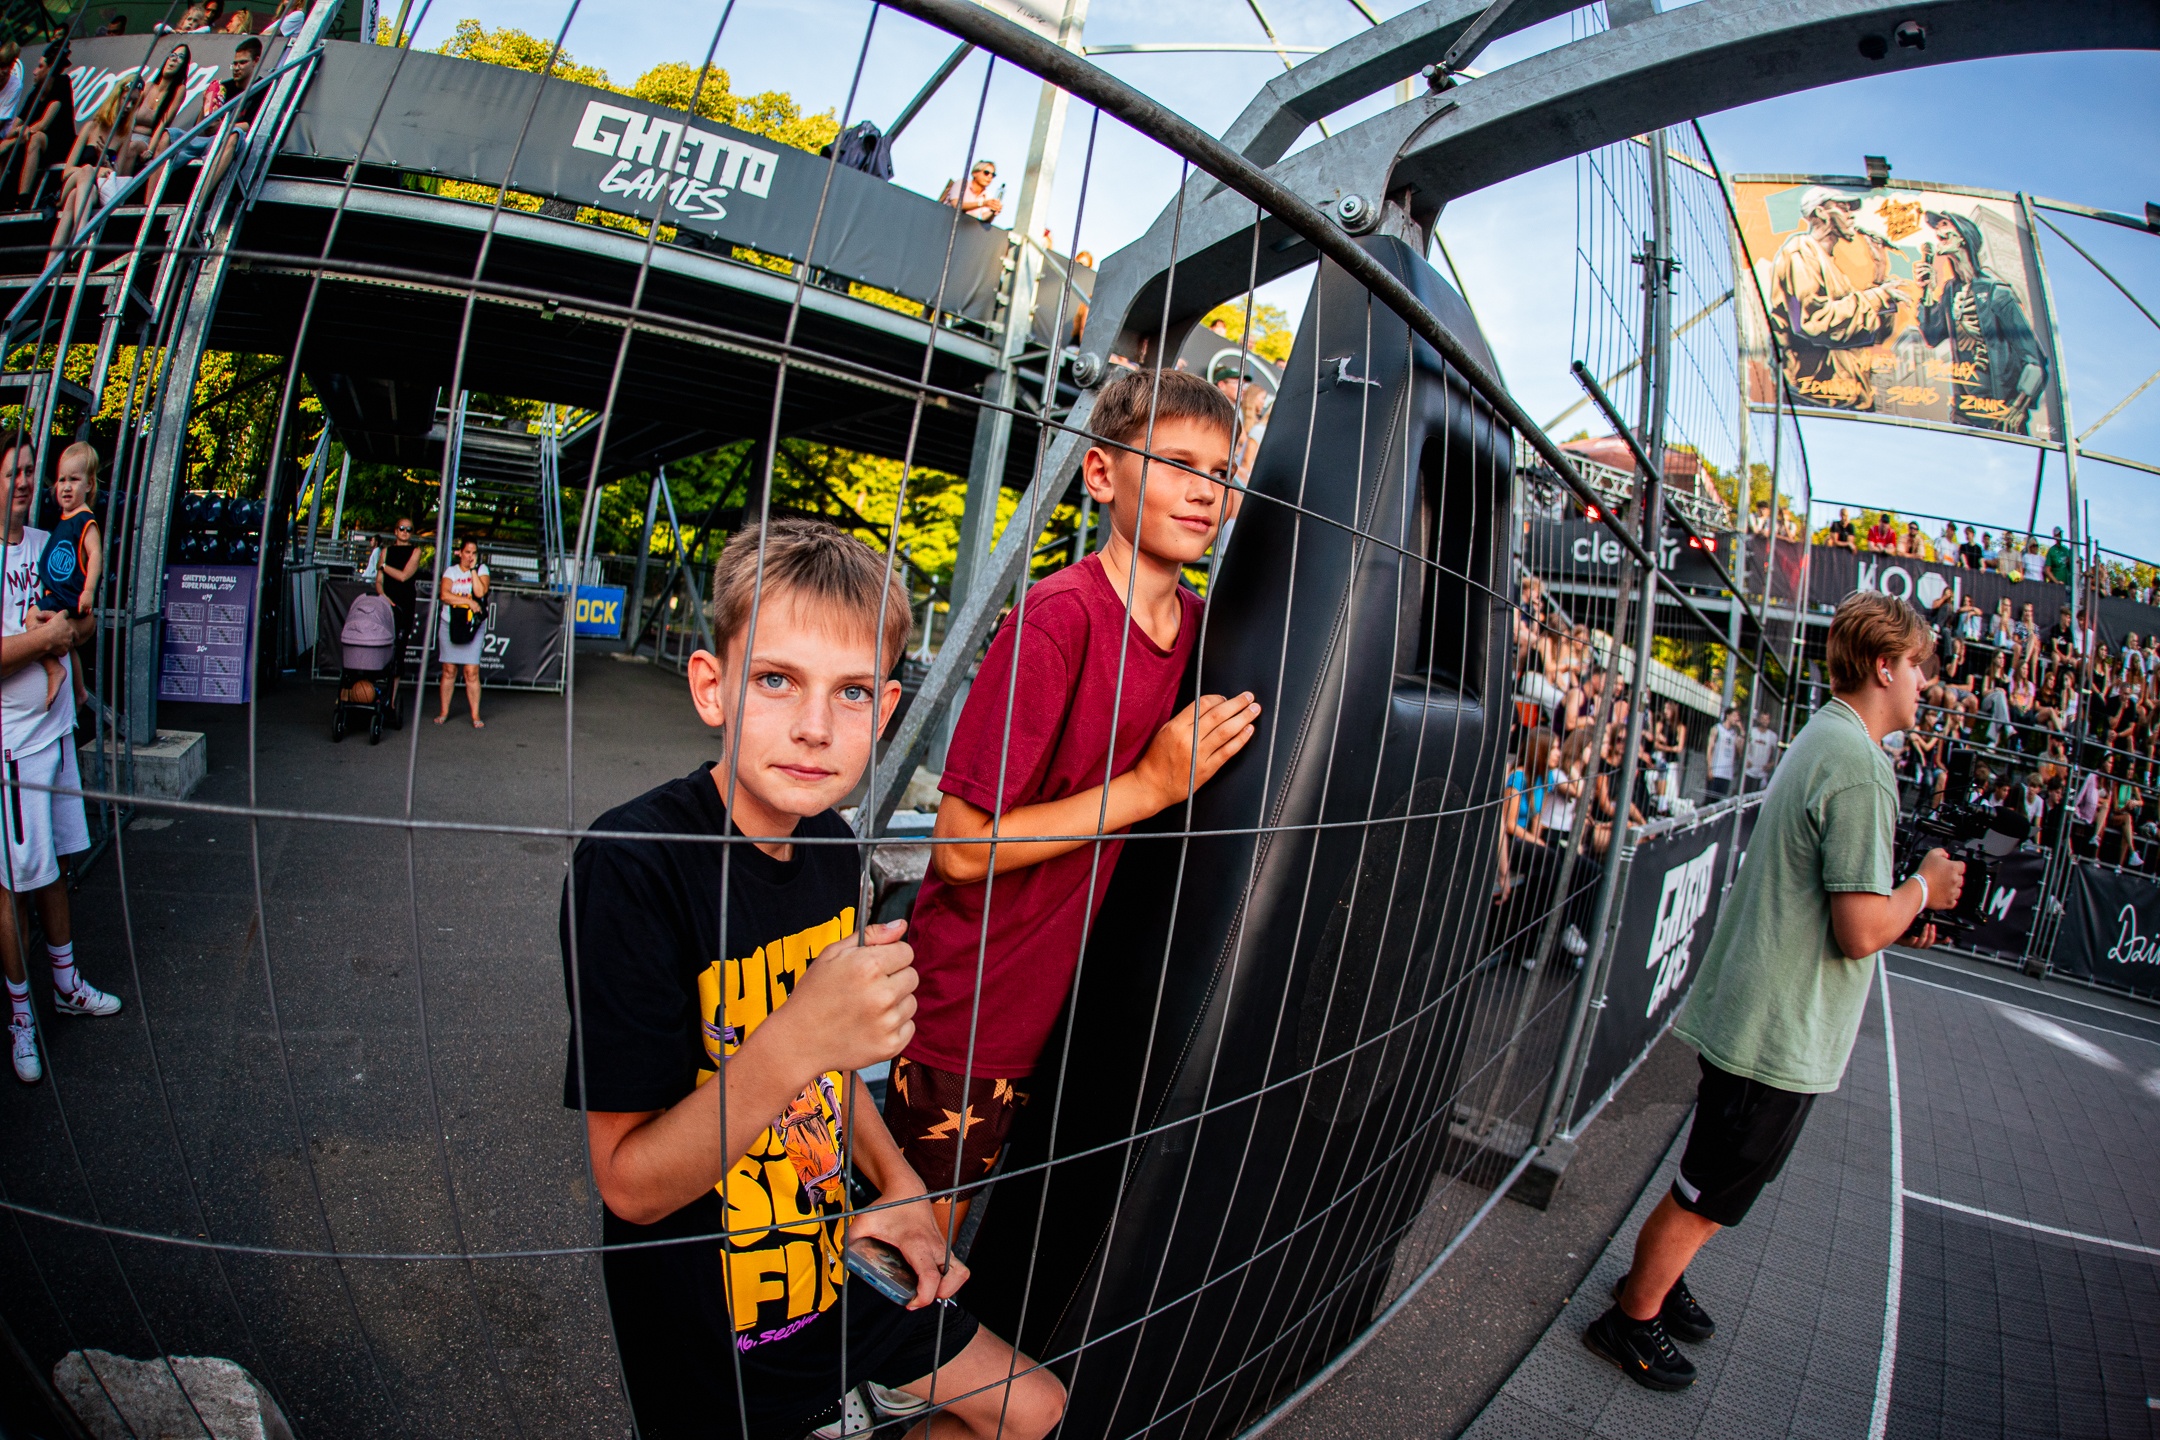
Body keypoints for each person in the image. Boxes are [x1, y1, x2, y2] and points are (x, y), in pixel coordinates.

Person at [561, 515, 1065, 1440]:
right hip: (716, 1316)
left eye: (853, 692)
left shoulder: (832, 849)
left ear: (887, 709)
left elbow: (829, 1079)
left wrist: (901, 1186)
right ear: (711, 687)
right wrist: (798, 1036)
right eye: (776, 679)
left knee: (1036, 1409)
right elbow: (629, 1185)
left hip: (831, 1257)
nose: (814, 727)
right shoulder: (635, 863)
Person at [894, 369, 1254, 1238]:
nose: (1205, 491)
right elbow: (959, 850)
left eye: (1220, 471)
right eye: (1176, 463)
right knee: (916, 1238)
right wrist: (1148, 787)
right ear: (1101, 475)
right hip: (982, 1000)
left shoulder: (1210, 634)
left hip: (1094, 999)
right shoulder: (1055, 623)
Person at [1583, 592, 1965, 1391]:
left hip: (1766, 1013)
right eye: (1919, 667)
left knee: (1719, 1182)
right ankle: (1632, 1318)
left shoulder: (1829, 734)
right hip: (1776, 1025)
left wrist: (1900, 910)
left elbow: (1842, 903)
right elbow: (1859, 929)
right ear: (1885, 666)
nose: (1925, 683)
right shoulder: (1858, 766)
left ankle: (1659, 1281)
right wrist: (1923, 890)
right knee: (1709, 1191)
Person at [0, 441, 122, 1086]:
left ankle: (67, 984)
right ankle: (21, 1016)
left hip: (55, 735)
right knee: (12, 885)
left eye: (31, 471)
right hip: (12, 747)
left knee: (56, 868)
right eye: (13, 473)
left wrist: (69, 633)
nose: (26, 482)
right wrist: (47, 638)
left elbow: (88, 620)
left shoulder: (54, 538)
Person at [33, 442, 101, 710]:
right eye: (61, 480)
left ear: (89, 485)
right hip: (58, 595)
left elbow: (95, 555)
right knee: (65, 643)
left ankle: (54, 670)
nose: (66, 486)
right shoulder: (64, 519)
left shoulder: (85, 520)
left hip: (69, 596)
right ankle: (80, 691)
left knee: (32, 620)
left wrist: (89, 591)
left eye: (74, 479)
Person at [0, 43, 73, 207]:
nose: (34, 71)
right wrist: (16, 135)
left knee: (36, 138)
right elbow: (14, 128)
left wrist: (22, 132)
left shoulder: (61, 84)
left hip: (58, 143)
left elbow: (44, 124)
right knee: (4, 145)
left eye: (40, 66)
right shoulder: (35, 92)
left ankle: (23, 199)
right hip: (29, 138)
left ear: (50, 69)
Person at [433, 538, 489, 727]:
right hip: (450, 623)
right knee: (449, 669)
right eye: (467, 552)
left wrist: (473, 570)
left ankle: (475, 714)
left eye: (474, 553)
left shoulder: (481, 570)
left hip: (472, 626)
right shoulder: (451, 571)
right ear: (460, 553)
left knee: (471, 671)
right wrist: (468, 602)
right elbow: (444, 595)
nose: (470, 556)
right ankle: (444, 711)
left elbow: (480, 593)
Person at [375, 516, 424, 670]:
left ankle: (394, 684)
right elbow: (379, 581)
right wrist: (383, 596)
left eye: (409, 529)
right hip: (386, 602)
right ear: (396, 531)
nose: (405, 532)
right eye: (402, 528)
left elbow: (403, 576)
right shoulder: (386, 551)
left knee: (400, 646)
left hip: (404, 603)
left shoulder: (416, 551)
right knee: (381, 643)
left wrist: (383, 566)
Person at [938, 159, 1002, 223]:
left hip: (964, 225)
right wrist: (983, 203)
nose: (990, 177)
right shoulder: (962, 183)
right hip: (945, 221)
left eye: (993, 175)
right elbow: (956, 204)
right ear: (974, 173)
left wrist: (993, 212)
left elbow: (984, 218)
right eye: (986, 173)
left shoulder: (987, 195)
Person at [1705, 707, 1741, 799]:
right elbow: (1710, 749)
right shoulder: (1717, 729)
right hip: (1716, 771)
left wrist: (1742, 730)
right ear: (1728, 716)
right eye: (1734, 716)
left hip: (1727, 774)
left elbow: (1740, 750)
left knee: (1720, 800)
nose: (1736, 719)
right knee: (1710, 798)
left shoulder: (1734, 733)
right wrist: (1710, 768)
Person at [1742, 710, 1779, 791]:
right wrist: (1745, 760)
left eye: (1767, 719)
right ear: (1759, 719)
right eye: (1763, 718)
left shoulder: (1772, 736)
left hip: (1762, 774)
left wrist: (1772, 764)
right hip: (1749, 772)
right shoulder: (1752, 732)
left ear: (1769, 721)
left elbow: (1777, 752)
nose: (1764, 721)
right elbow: (1743, 746)